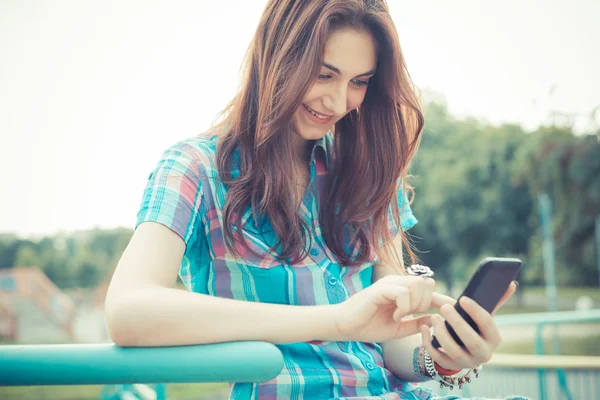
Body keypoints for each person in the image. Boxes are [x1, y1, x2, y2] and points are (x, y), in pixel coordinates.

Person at [105, 1, 525, 399]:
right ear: (278, 57)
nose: (339, 102)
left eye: (359, 82)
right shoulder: (194, 166)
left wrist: (444, 357)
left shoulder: (366, 168)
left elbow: (391, 343)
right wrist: (339, 321)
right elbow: (128, 310)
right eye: (324, 75)